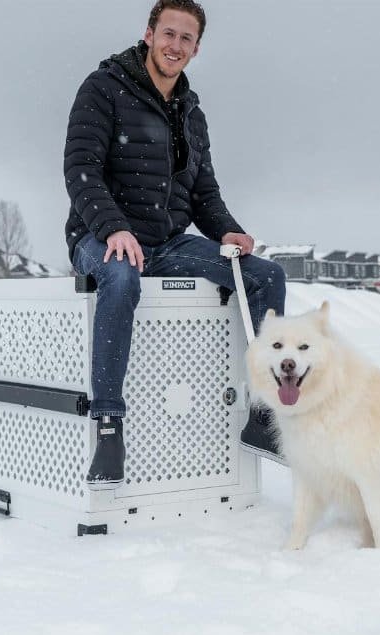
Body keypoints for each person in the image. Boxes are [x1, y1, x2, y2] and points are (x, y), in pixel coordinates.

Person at [63, 0, 286, 489]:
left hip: (165, 242)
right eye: (168, 34)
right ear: (148, 34)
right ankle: (108, 426)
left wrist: (227, 229)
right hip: (101, 234)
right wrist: (113, 228)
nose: (175, 46)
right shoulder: (103, 89)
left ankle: (265, 414)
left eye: (186, 39)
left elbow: (203, 192)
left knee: (266, 275)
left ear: (197, 48)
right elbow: (81, 170)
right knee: (121, 277)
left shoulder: (191, 112)